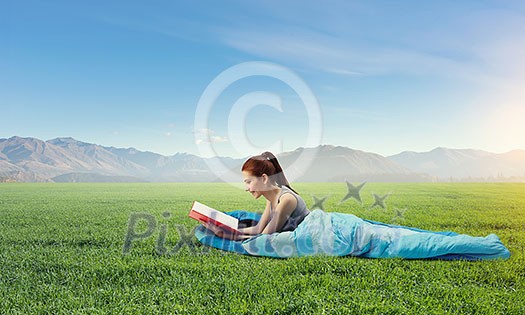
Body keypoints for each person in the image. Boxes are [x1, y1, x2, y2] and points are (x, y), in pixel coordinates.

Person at [203, 151, 310, 240]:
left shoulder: (287, 200)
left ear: (264, 178)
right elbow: (258, 229)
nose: (246, 188)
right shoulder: (272, 198)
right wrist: (228, 229)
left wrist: (227, 236)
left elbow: (263, 238)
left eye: (249, 182)